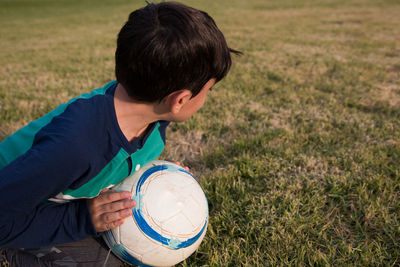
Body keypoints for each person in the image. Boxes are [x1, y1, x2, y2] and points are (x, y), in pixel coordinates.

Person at [0, 1, 240, 266]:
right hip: (15, 209)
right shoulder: (75, 146)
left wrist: (154, 173)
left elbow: (119, 156)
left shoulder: (151, 113)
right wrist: (83, 218)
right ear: (180, 100)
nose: (207, 98)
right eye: (208, 91)